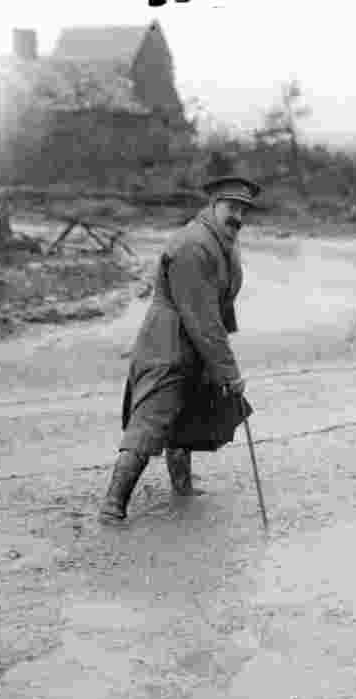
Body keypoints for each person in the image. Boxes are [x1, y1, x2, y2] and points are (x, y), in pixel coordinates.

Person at [97, 175, 262, 524]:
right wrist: (228, 371)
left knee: (186, 415)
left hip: (195, 342)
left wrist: (217, 360)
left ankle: (182, 489)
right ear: (212, 206)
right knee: (150, 422)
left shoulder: (224, 243)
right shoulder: (192, 246)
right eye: (232, 207)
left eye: (244, 210)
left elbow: (220, 309)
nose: (238, 217)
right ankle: (113, 505)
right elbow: (202, 317)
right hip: (168, 345)